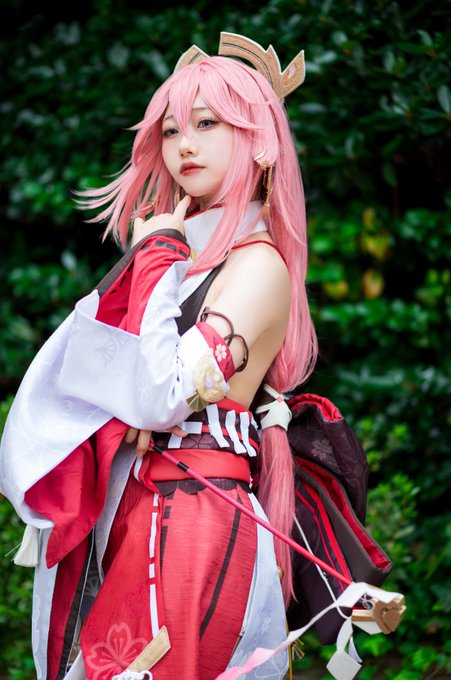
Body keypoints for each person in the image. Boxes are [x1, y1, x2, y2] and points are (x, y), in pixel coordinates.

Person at [0, 34, 318, 679]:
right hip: (142, 508)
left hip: (195, 517)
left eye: (207, 124)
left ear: (261, 143)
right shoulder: (194, 257)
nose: (184, 146)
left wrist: (155, 257)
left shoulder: (258, 267)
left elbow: (156, 396)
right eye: (171, 130)